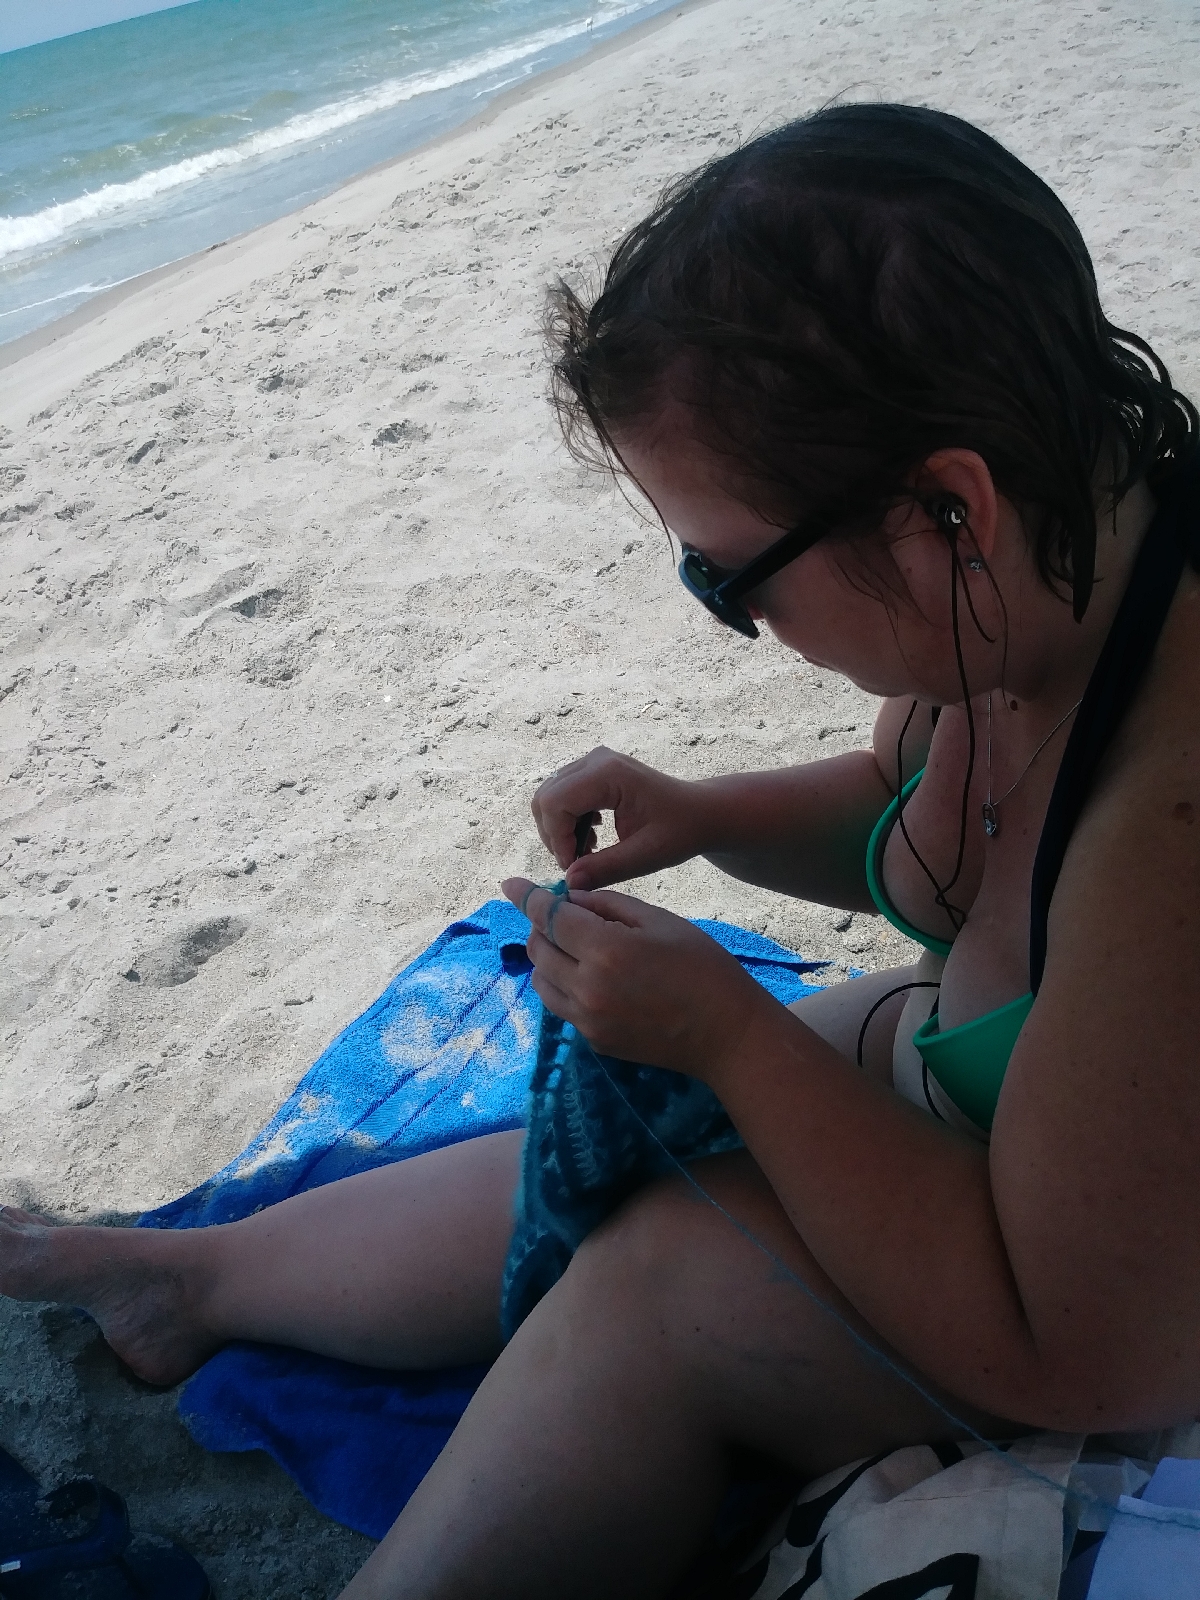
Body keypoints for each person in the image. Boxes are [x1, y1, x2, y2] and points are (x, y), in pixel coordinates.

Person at [3, 102, 1199, 1600]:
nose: (727, 610)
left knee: (652, 1282)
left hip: (1106, 1326)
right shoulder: (1025, 585)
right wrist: (705, 814)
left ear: (943, 506)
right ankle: (188, 1280)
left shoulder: (1172, 829)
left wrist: (737, 1043)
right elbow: (910, 825)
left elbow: (1075, 1344)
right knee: (625, 1134)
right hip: (980, 1117)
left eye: (724, 573)